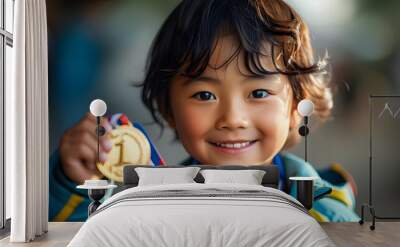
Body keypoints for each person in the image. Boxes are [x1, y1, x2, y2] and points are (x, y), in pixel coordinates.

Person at [49, 0, 360, 222]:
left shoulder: (326, 215)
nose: (232, 119)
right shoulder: (141, 204)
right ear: (168, 108)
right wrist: (75, 181)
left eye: (259, 93)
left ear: (296, 107)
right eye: (205, 94)